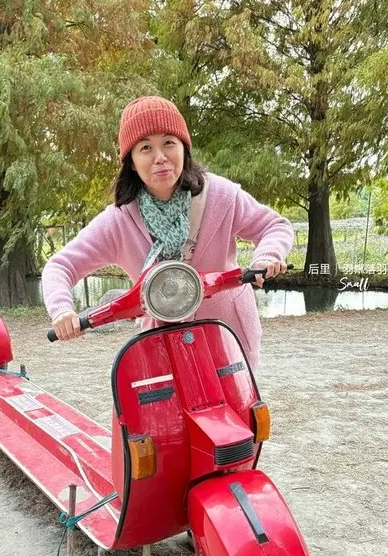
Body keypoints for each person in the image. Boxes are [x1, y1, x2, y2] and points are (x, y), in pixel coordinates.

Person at [41, 96, 293, 371]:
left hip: (227, 334)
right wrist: (63, 310)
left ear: (184, 148)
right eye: (146, 147)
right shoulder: (118, 220)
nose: (159, 157)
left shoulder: (221, 195)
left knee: (240, 411)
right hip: (162, 342)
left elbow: (274, 225)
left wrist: (267, 256)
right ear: (132, 162)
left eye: (169, 143)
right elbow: (60, 266)